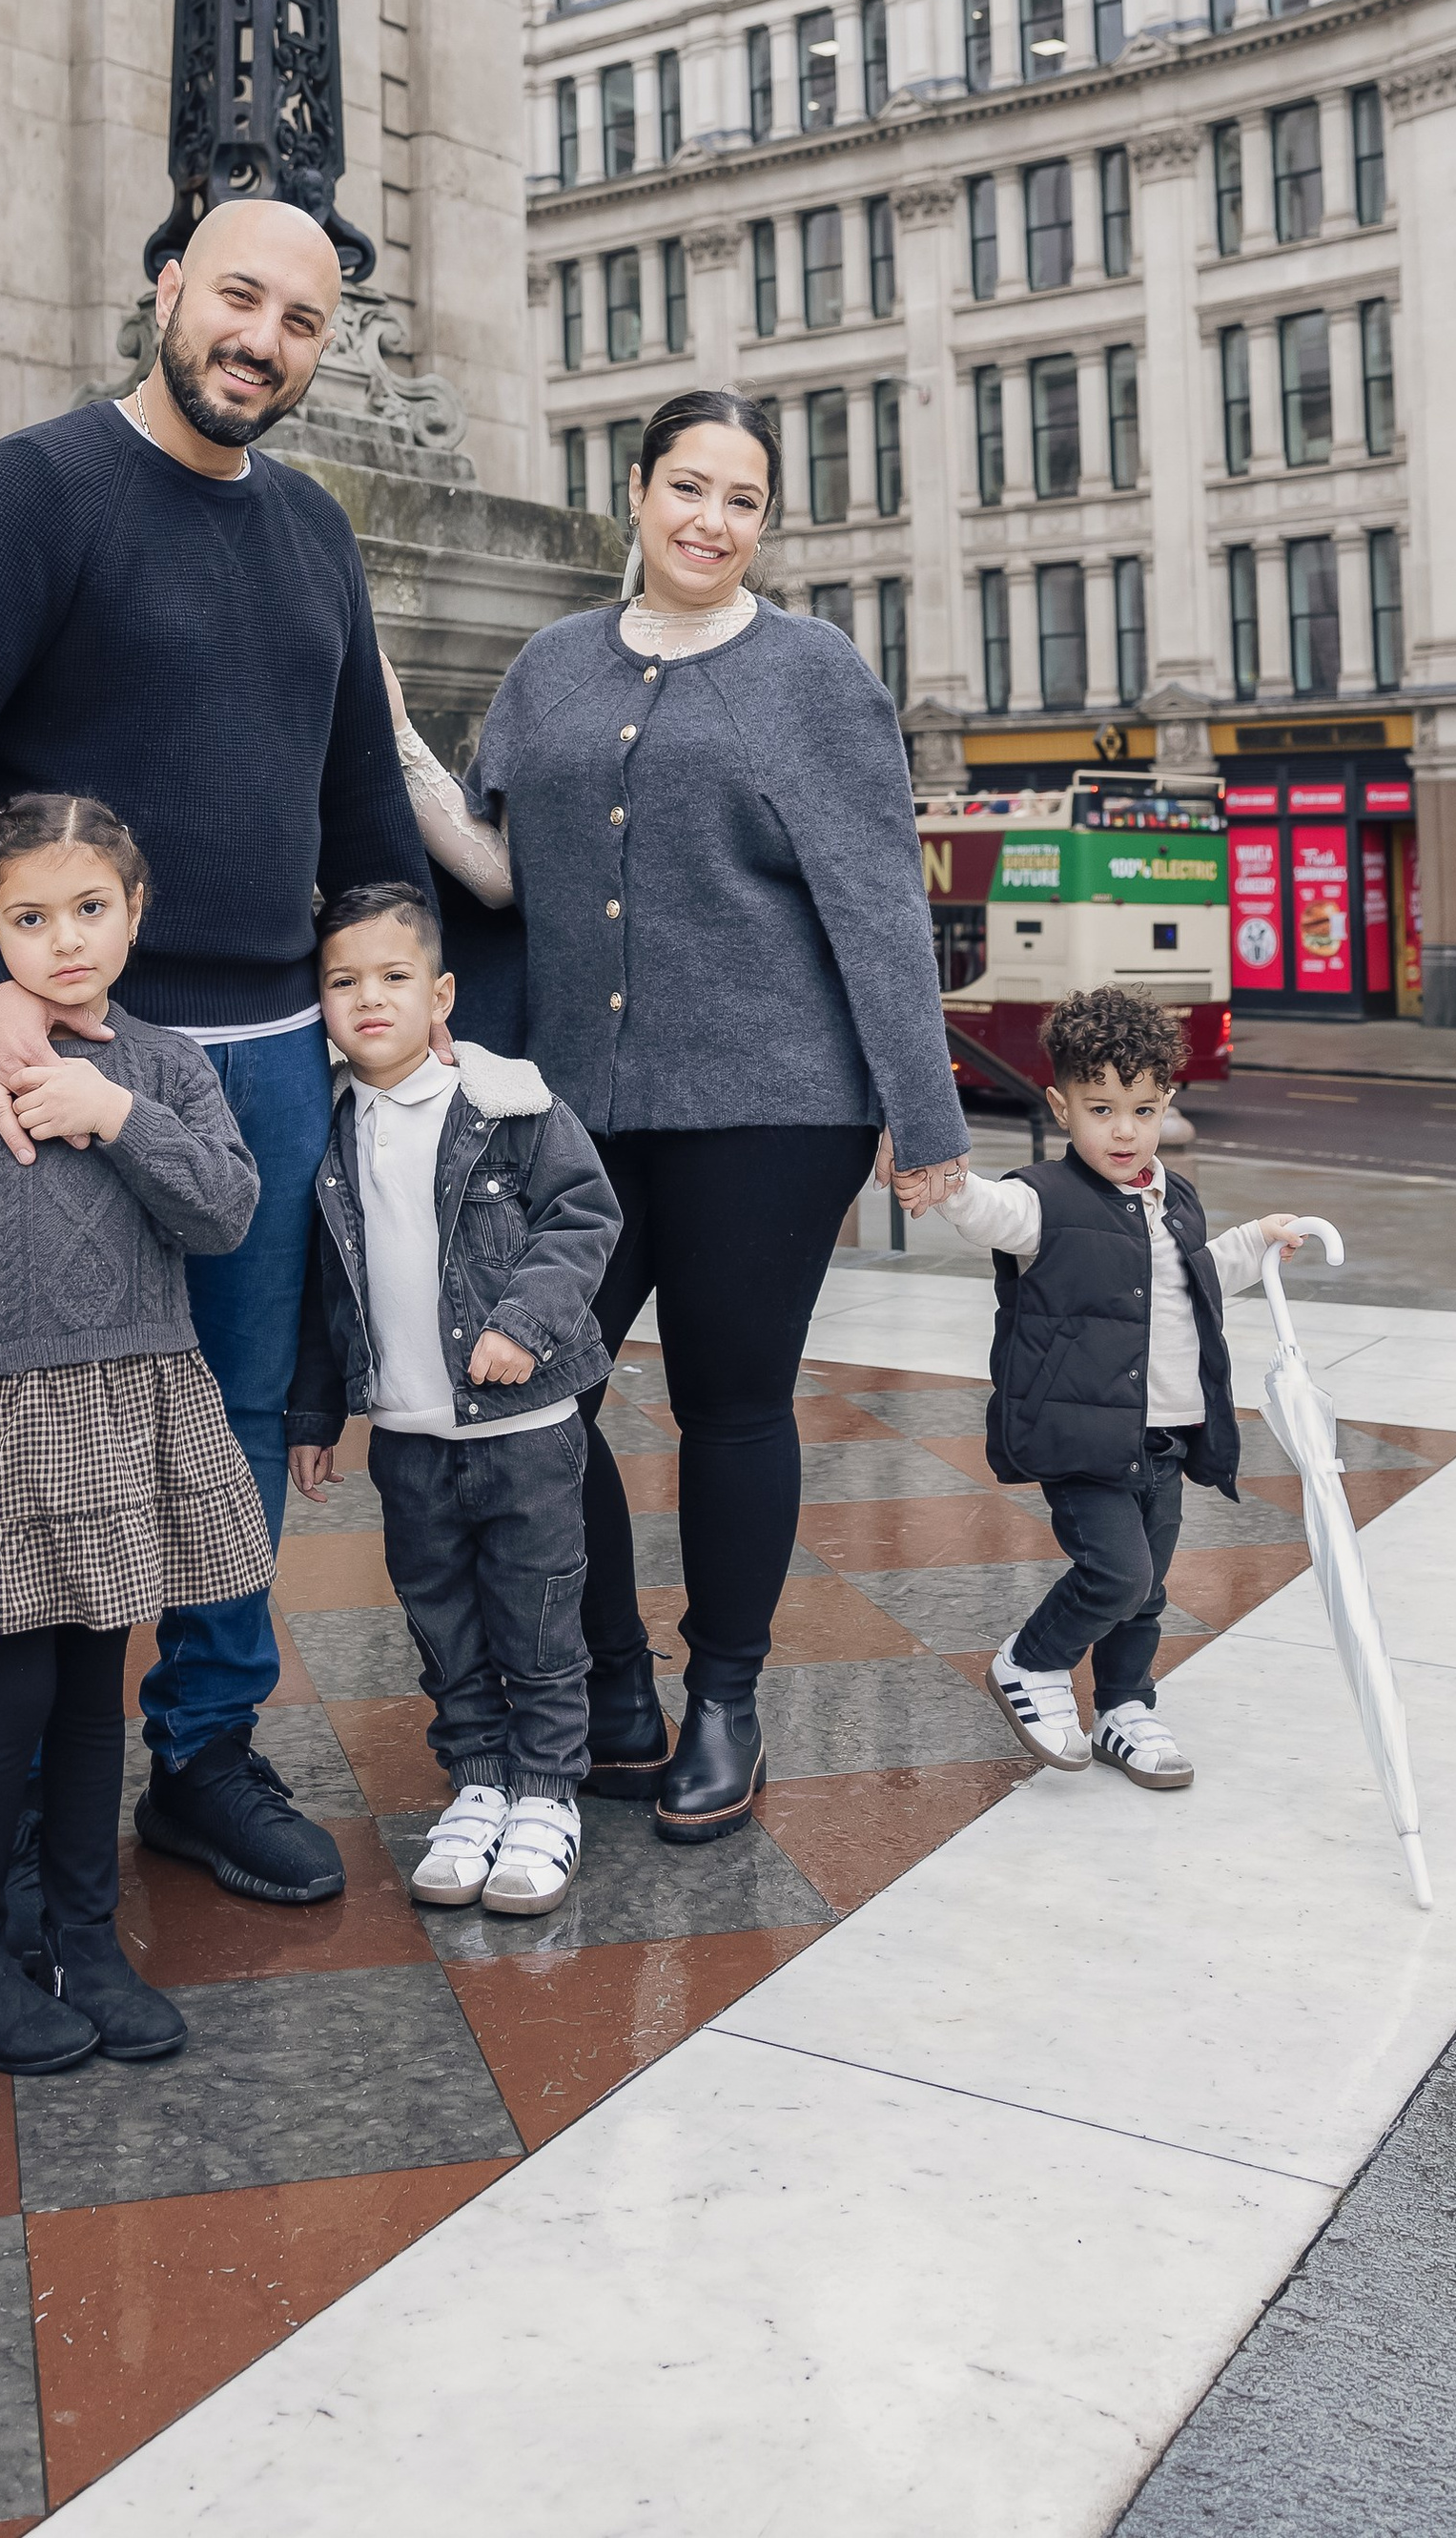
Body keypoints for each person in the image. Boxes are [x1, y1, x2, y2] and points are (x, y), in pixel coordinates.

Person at [0, 198, 429, 1909]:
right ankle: (32, 1786)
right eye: (237, 296)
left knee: (232, 1420)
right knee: (53, 1416)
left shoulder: (317, 532)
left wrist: (393, 995)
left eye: (302, 320)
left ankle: (205, 1751)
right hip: (66, 1049)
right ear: (164, 283)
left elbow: (364, 805)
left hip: (263, 1057)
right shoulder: (29, 496)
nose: (262, 337)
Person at [384, 386, 969, 1846]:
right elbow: (504, 871)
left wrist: (924, 1107)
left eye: (745, 499)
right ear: (636, 492)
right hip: (578, 1107)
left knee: (729, 1401)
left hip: (777, 1103)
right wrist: (391, 739)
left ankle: (725, 1698)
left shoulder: (816, 673)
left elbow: (878, 899)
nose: (712, 520)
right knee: (538, 1392)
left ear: (765, 522)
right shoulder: (552, 667)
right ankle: (613, 1687)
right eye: (688, 486)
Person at [0, 794, 267, 2072]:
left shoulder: (168, 1067)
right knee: (8, 1693)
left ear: (137, 912)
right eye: (30, 915)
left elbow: (229, 1209)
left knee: (91, 1691)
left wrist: (111, 1111)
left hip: (125, 1412)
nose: (65, 938)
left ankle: (82, 1938)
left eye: (91, 907)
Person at [286, 879, 620, 1914]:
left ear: (441, 995)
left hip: (522, 1430)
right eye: (343, 982)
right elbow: (321, 1290)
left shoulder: (508, 1104)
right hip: (407, 1436)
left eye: (393, 978)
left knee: (540, 1610)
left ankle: (548, 1790)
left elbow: (582, 1217)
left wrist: (523, 1323)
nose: (368, 1000)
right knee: (440, 1616)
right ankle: (477, 1779)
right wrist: (313, 1419)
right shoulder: (332, 1129)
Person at [895, 983, 1302, 1790]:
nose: (1124, 1130)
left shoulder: (1172, 1198)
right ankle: (1031, 1661)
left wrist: (1258, 1242)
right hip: (1082, 1439)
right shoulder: (1044, 1202)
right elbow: (990, 1210)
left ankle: (1124, 1707)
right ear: (1060, 1104)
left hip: (1162, 1438)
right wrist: (946, 1185)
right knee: (1117, 1574)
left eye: (1143, 1109)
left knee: (1146, 1593)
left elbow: (1198, 1277)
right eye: (1101, 1107)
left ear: (1167, 1104)